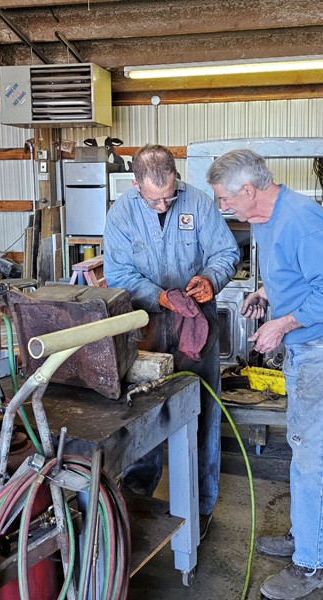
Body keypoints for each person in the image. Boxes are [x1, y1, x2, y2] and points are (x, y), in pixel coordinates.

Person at [206, 149, 323, 600]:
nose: (223, 207)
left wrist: (285, 322)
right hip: (312, 347)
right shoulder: (267, 218)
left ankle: (315, 565)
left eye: (224, 199)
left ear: (248, 191)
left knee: (318, 455)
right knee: (304, 449)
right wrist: (266, 293)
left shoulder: (301, 219)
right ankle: (307, 537)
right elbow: (297, 273)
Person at [103, 144, 239, 539]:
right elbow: (118, 273)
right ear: (135, 185)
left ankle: (201, 505)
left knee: (201, 413)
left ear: (176, 178)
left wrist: (210, 279)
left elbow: (225, 253)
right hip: (145, 329)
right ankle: (138, 494)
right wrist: (161, 297)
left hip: (196, 326)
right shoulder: (121, 213)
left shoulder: (198, 203)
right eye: (154, 199)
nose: (163, 206)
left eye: (168, 197)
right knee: (143, 414)